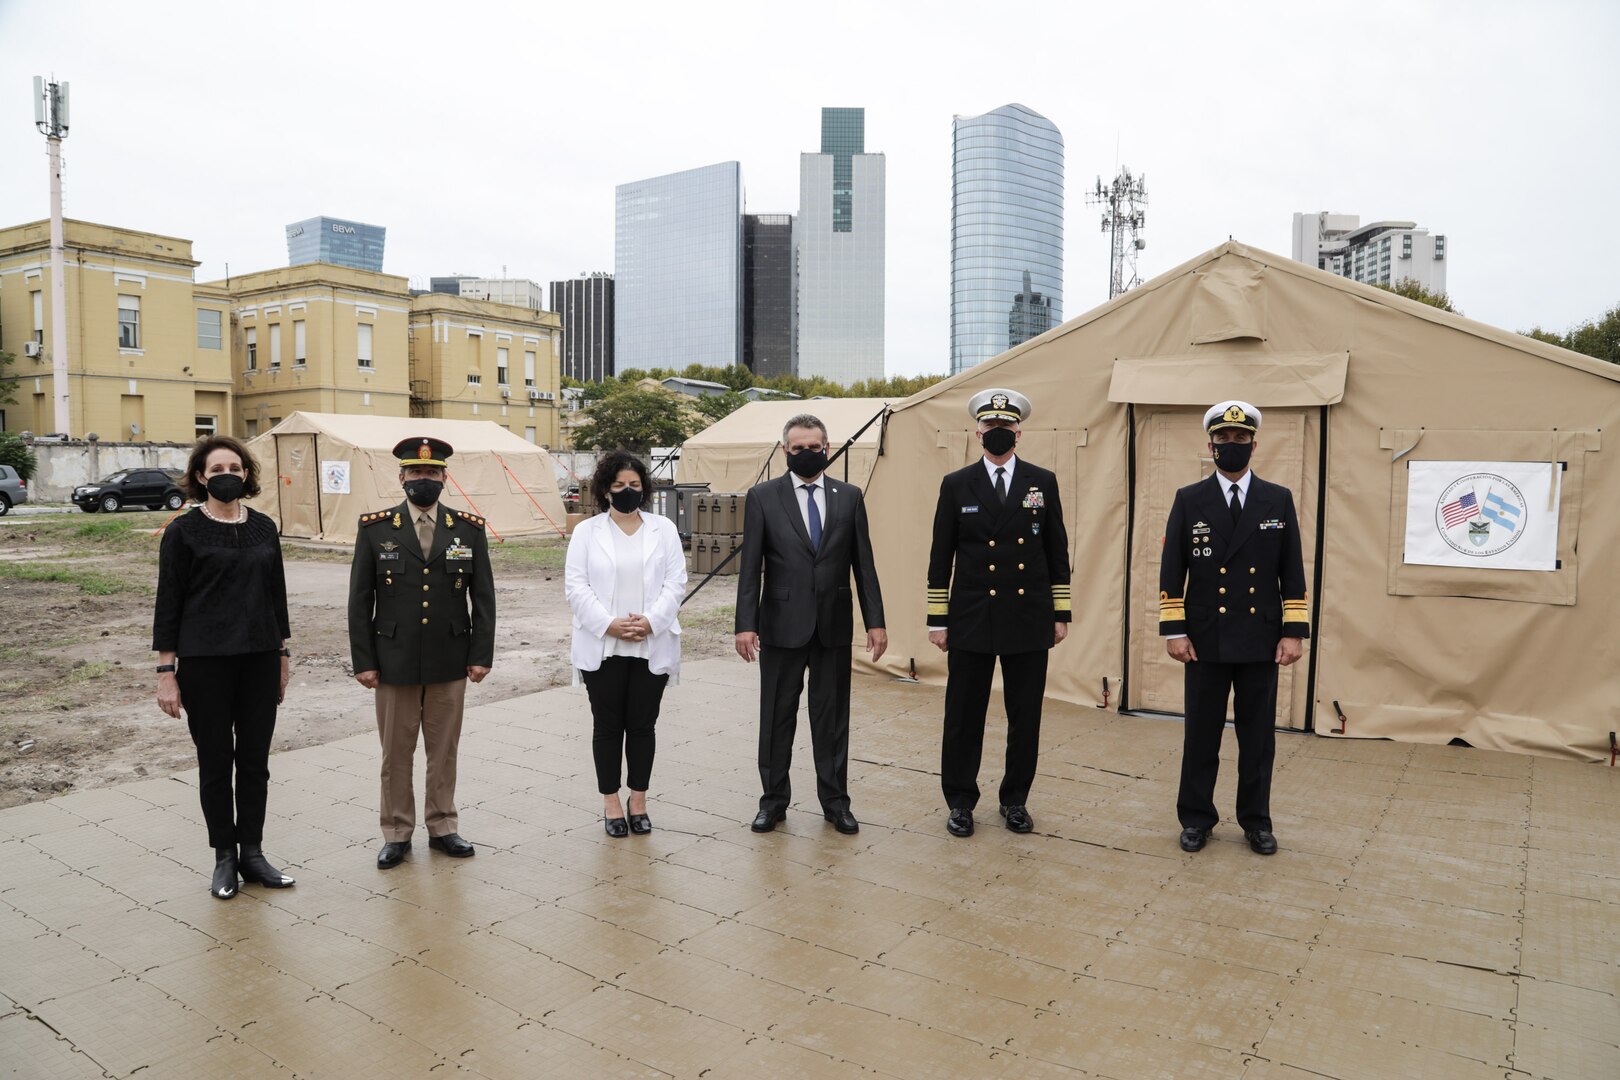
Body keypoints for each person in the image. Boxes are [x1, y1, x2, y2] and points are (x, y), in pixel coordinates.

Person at [1159, 400, 1309, 856]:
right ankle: (1196, 818)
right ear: (1210, 445)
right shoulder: (1189, 499)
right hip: (1204, 639)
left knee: (1257, 737)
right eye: (1222, 440)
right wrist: (1174, 630)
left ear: (1253, 445)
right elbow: (1172, 570)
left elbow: (1293, 570)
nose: (1231, 446)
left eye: (1239, 439)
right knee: (1200, 734)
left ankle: (1256, 821)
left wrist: (1294, 630)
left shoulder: (1277, 499)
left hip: (1260, 639)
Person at [153, 434, 295, 899]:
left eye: (235, 468)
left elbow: (276, 596)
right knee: (216, 762)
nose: (227, 476)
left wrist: (282, 655)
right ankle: (224, 858)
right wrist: (166, 672)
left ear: (247, 474)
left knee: (254, 762)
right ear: (200, 477)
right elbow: (168, 603)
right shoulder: (183, 531)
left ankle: (253, 853)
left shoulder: (264, 527)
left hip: (258, 660)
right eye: (217, 470)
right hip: (205, 665)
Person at [927, 389, 1071, 838]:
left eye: (1005, 428)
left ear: (1018, 433)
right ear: (978, 432)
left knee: (1024, 716)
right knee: (963, 715)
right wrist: (938, 618)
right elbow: (940, 554)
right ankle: (960, 802)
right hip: (971, 615)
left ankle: (1015, 800)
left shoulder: (1041, 481)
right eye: (990, 428)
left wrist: (1060, 612)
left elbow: (1056, 549)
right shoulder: (956, 484)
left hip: (1028, 615)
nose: (997, 434)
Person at [735, 413, 887, 834]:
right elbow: (751, 568)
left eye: (814, 446)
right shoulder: (763, 496)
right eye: (798, 448)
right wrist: (744, 624)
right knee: (776, 716)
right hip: (781, 625)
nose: (806, 453)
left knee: (832, 718)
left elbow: (865, 566)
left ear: (827, 446)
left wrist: (876, 621)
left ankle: (835, 802)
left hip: (834, 626)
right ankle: (773, 801)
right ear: (785, 450)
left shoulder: (850, 496)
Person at [348, 436, 496, 869]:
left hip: (450, 657)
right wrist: (365, 661)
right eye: (416, 473)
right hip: (393, 660)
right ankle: (396, 831)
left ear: (445, 479)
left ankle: (443, 825)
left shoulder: (467, 528)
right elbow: (360, 601)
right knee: (396, 752)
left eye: (432, 473)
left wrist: (480, 654)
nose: (424, 480)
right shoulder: (375, 528)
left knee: (443, 749)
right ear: (401, 478)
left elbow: (482, 598)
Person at [565, 451, 687, 837]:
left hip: (652, 643)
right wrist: (609, 624)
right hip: (603, 646)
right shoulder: (587, 531)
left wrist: (651, 622)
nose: (627, 492)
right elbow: (576, 586)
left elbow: (675, 582)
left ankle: (639, 799)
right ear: (605, 489)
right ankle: (611, 802)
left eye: (634, 486)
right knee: (607, 726)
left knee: (642, 726)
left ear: (644, 489)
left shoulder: (663, 528)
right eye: (619, 486)